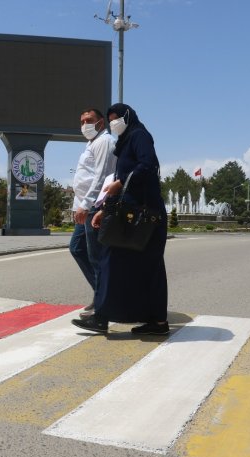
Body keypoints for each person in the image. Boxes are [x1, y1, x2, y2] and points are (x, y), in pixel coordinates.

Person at [72, 103, 169, 336]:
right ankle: (151, 320)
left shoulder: (139, 136)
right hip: (131, 213)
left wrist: (121, 181)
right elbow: (118, 182)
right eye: (111, 118)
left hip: (145, 215)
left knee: (118, 263)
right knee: (135, 268)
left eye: (117, 118)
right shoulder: (124, 143)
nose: (115, 122)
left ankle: (106, 317)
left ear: (128, 117)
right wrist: (105, 208)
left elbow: (148, 166)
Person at [69, 108, 117, 315]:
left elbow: (102, 176)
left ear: (100, 123)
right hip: (85, 206)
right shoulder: (92, 143)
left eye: (89, 120)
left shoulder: (105, 141)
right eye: (81, 121)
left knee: (96, 256)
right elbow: (83, 178)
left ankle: (104, 302)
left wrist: (87, 204)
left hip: (95, 206)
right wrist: (77, 206)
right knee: (78, 248)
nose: (84, 125)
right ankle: (104, 295)